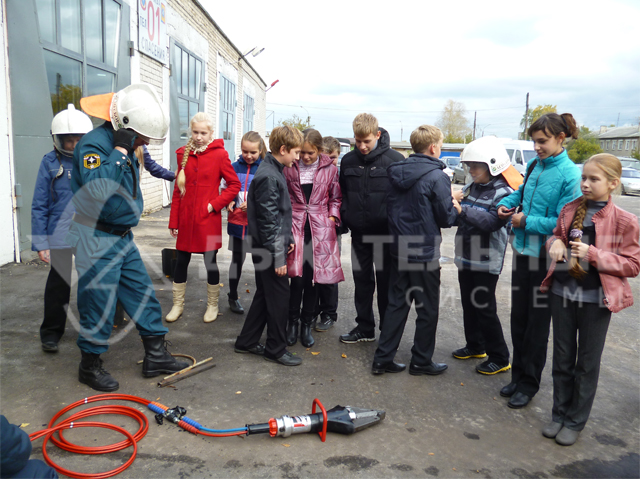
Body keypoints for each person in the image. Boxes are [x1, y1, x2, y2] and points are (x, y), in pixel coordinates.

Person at [67, 83, 189, 392]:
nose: (146, 142)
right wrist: (120, 152)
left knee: (142, 292)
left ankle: (156, 355)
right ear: (124, 126)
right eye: (142, 136)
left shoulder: (129, 141)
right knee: (98, 303)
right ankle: (89, 365)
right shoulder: (93, 146)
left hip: (121, 236)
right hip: (96, 236)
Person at [539, 154, 639, 446]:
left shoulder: (625, 220)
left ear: (612, 183)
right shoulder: (570, 210)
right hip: (562, 294)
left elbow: (633, 265)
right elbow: (555, 236)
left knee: (586, 363)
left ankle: (575, 420)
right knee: (562, 358)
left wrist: (594, 255)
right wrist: (554, 242)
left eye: (593, 179)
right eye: (584, 177)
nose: (585, 183)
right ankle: (558, 414)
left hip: (596, 302)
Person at [497, 113, 582, 409]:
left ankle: (529, 384)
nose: (537, 147)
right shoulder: (534, 165)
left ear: (561, 138)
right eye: (534, 141)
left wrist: (524, 221)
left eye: (542, 141)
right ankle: (517, 376)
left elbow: (563, 224)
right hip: (523, 254)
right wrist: (506, 204)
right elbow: (520, 191)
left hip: (546, 261)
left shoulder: (570, 176)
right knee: (518, 319)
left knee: (536, 326)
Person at [371, 125, 456, 375]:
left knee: (397, 303)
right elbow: (445, 217)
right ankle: (421, 360)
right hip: (424, 252)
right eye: (440, 144)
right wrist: (457, 209)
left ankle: (383, 358)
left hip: (399, 247)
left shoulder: (396, 172)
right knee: (427, 308)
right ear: (433, 147)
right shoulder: (437, 176)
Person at [450, 136, 524, 375]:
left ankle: (500, 357)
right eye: (469, 165)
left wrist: (462, 210)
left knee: (484, 307)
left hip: (485, 261)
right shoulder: (472, 187)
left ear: (493, 166)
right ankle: (475, 346)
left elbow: (491, 222)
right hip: (465, 256)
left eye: (475, 166)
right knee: (469, 305)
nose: (470, 170)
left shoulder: (504, 193)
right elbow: (457, 215)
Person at [234, 126, 302, 366]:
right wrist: (279, 257)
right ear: (283, 149)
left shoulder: (274, 170)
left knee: (265, 295)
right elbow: (268, 222)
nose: (297, 157)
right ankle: (275, 348)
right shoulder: (269, 176)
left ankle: (247, 341)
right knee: (279, 298)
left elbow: (278, 215)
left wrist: (289, 239)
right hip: (268, 250)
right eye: (295, 152)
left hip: (268, 247)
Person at [165, 112, 241, 323]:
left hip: (208, 219)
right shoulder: (182, 154)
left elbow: (234, 184)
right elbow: (178, 189)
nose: (199, 136)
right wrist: (174, 220)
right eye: (195, 132)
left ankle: (212, 305)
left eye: (203, 133)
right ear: (191, 131)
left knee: (210, 262)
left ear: (211, 133)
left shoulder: (220, 155)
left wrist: (214, 205)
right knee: (181, 261)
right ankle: (177, 305)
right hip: (187, 219)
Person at [31, 104, 93, 353]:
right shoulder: (49, 163)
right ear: (58, 139)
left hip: (89, 231)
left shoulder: (93, 161)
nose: (74, 144)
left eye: (79, 139)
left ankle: (93, 328)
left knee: (93, 281)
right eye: (69, 140)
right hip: (59, 234)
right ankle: (50, 333)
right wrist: (41, 243)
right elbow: (38, 205)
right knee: (59, 283)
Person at [338, 113, 404, 344]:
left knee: (386, 285)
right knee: (362, 283)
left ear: (377, 134)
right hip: (359, 235)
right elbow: (344, 192)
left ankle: (387, 331)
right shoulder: (347, 161)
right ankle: (364, 327)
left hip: (386, 236)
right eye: (358, 141)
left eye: (367, 141)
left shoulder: (395, 160)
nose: (362, 146)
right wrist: (346, 216)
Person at [284, 129, 343, 348]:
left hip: (320, 229)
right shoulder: (290, 166)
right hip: (295, 227)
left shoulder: (330, 169)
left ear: (319, 150)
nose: (305, 157)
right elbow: (285, 197)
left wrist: (331, 217)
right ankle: (292, 323)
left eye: (310, 153)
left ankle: (307, 324)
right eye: (302, 153)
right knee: (296, 279)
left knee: (313, 279)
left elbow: (336, 198)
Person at [224, 131, 266, 315]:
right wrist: (229, 200)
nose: (248, 156)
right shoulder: (233, 167)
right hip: (236, 223)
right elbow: (226, 187)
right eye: (244, 151)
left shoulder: (265, 168)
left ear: (260, 151)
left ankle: (261, 299)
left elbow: (268, 194)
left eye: (253, 152)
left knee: (259, 263)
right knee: (237, 261)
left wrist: (254, 203)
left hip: (256, 225)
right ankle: (232, 296)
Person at [314, 135, 342, 332]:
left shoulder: (338, 172)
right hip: (314, 226)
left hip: (331, 227)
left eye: (333, 157)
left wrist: (333, 219)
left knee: (329, 271)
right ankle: (313, 309)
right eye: (326, 156)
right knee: (313, 271)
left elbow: (338, 198)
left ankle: (329, 313)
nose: (330, 161)